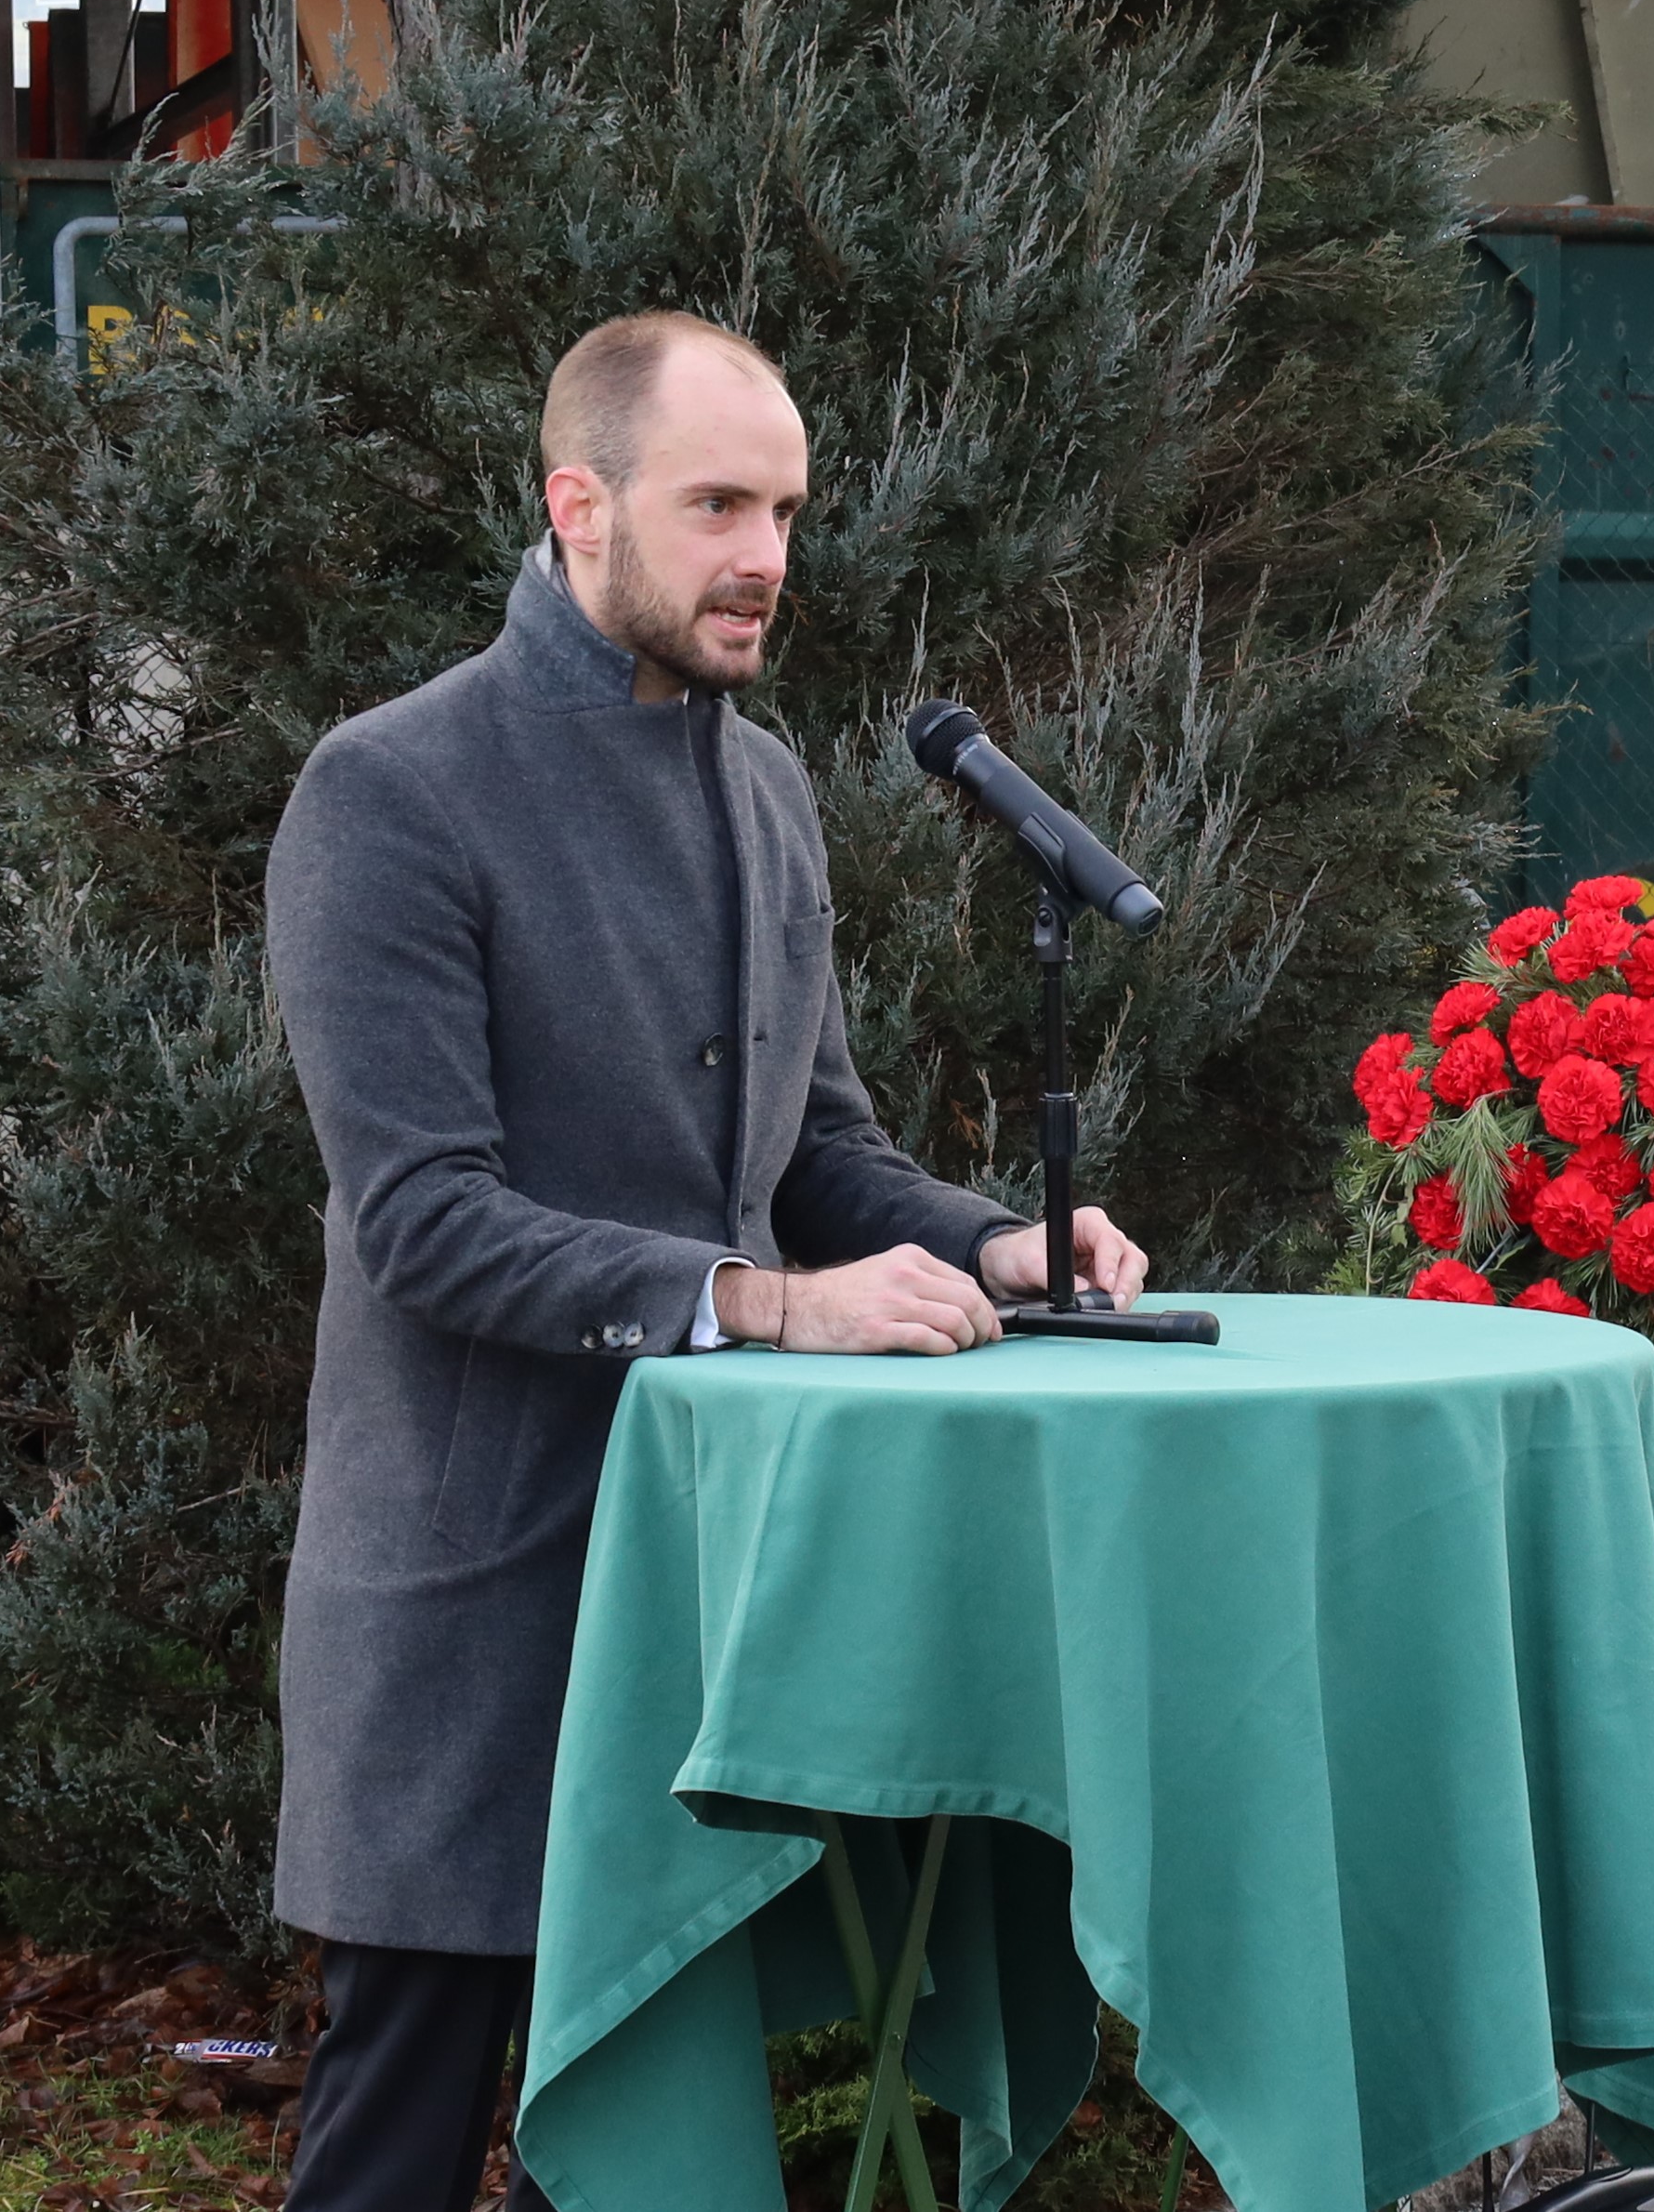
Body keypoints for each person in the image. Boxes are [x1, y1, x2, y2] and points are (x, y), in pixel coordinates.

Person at [260, 309, 1149, 2212]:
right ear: (576, 505)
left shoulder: (761, 787)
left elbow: (814, 1153)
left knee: (664, 2122)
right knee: (398, 2131)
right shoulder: (389, 789)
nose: (766, 554)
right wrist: (761, 1301)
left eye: (787, 510)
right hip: (477, 1599)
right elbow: (418, 1218)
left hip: (721, 1580)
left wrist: (999, 1239)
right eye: (719, 505)